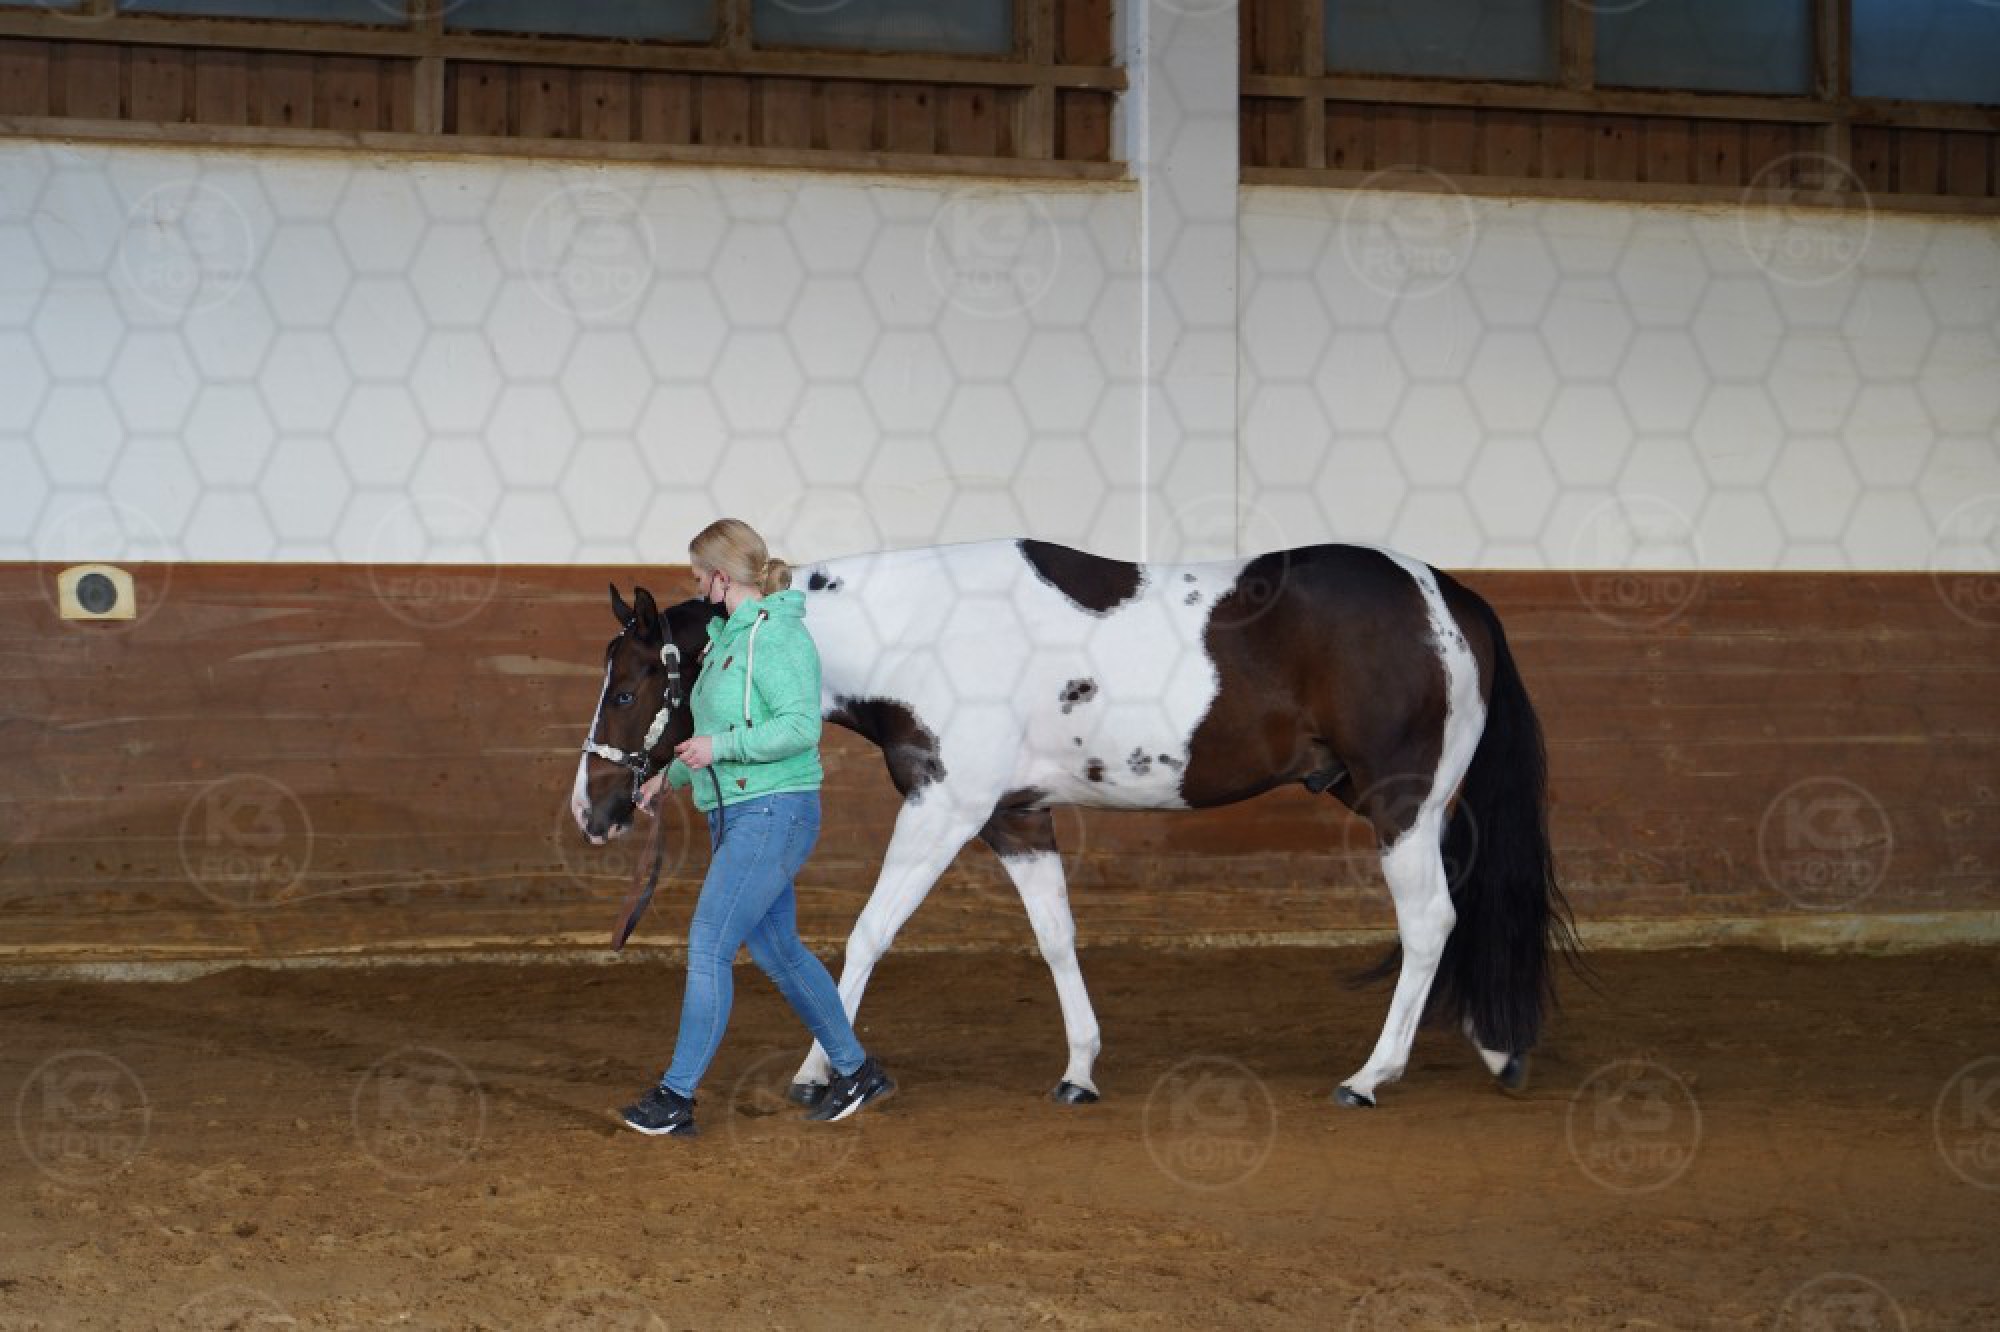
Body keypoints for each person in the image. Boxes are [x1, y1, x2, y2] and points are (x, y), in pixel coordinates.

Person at [619, 518, 893, 1137]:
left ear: (721, 577)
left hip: (773, 813)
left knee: (709, 945)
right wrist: (671, 777)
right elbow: (717, 736)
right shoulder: (728, 641)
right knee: (777, 951)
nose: (696, 586)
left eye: (699, 576)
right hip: (740, 813)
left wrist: (717, 748)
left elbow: (799, 727)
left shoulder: (778, 637)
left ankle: (676, 1096)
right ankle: (857, 1071)